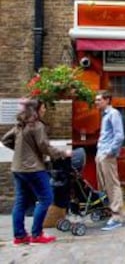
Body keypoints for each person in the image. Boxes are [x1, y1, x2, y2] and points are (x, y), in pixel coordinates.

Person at [1, 99, 71, 245]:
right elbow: (44, 146)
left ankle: (19, 236)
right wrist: (63, 154)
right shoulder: (37, 125)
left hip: (18, 168)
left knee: (20, 202)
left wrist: (22, 152)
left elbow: (5, 140)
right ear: (37, 109)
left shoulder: (20, 125)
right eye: (43, 107)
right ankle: (37, 234)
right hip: (33, 169)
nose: (44, 110)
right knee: (46, 198)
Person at [95, 90, 125, 231]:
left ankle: (117, 216)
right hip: (101, 154)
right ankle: (110, 212)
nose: (96, 102)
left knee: (112, 184)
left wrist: (110, 152)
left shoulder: (113, 114)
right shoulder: (104, 115)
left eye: (99, 100)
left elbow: (119, 136)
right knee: (104, 185)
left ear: (107, 100)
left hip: (107, 155)